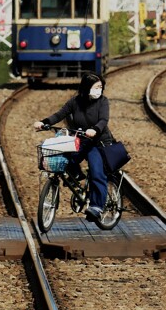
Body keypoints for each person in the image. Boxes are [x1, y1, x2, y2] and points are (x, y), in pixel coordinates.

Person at [33, 73, 114, 221]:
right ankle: (77, 176)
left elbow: (103, 120)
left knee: (97, 173)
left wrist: (95, 129)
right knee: (64, 159)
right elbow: (59, 114)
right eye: (96, 87)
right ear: (86, 88)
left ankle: (96, 207)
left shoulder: (103, 101)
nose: (99, 90)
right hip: (81, 140)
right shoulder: (75, 102)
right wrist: (44, 122)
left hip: (98, 142)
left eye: (101, 87)